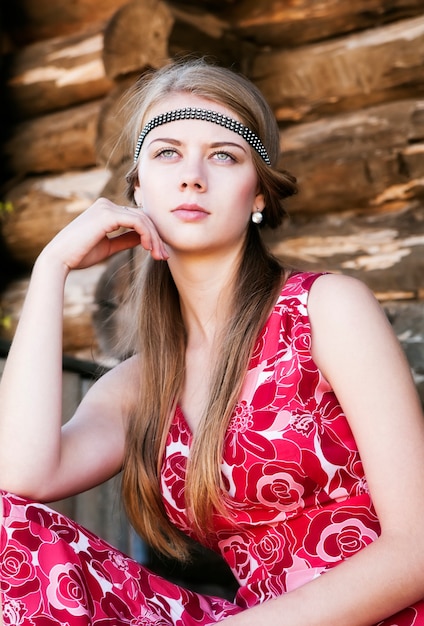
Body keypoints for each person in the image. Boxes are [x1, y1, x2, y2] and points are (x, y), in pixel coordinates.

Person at [1, 57, 424, 626]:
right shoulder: (140, 384)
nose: (192, 175)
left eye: (224, 155)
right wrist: (52, 266)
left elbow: (417, 549)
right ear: (137, 189)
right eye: (167, 152)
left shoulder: (326, 310)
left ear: (257, 195)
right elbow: (20, 482)